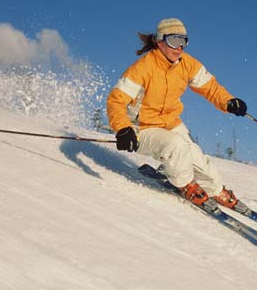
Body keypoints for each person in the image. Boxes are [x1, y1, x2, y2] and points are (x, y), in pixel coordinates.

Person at [107, 18, 249, 213]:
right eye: (174, 40)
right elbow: (116, 100)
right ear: (160, 41)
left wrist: (228, 102)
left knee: (198, 160)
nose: (179, 47)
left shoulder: (187, 64)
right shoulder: (142, 68)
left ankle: (216, 190)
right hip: (141, 128)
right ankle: (185, 185)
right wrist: (123, 128)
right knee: (175, 145)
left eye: (184, 41)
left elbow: (211, 88)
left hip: (170, 123)